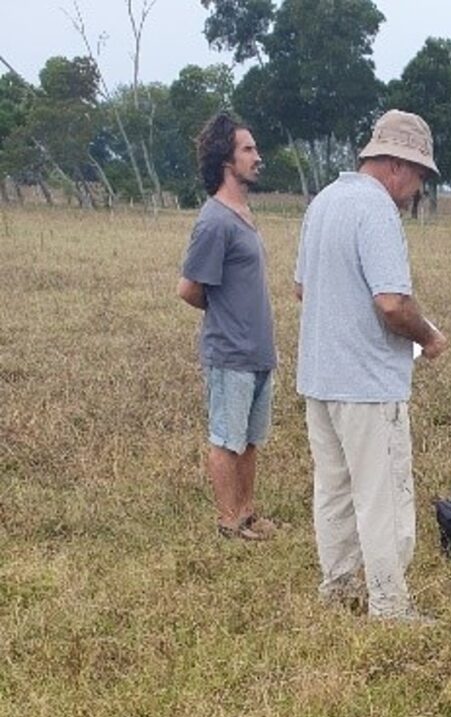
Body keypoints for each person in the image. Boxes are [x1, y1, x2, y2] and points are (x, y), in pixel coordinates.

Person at [293, 109, 447, 623]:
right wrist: (429, 336)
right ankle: (389, 605)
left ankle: (337, 591)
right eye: (419, 177)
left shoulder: (324, 201)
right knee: (383, 496)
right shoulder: (376, 210)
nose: (416, 190)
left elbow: (301, 288)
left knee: (333, 490)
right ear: (398, 166)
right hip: (368, 384)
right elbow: (392, 303)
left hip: (320, 377)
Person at [177, 112, 277, 541]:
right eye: (248, 150)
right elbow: (188, 289)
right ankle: (228, 521)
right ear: (225, 160)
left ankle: (248, 514)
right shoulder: (214, 220)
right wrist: (224, 316)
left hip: (258, 351)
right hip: (229, 352)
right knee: (226, 439)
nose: (258, 157)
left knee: (251, 440)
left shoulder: (243, 214)